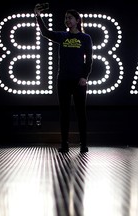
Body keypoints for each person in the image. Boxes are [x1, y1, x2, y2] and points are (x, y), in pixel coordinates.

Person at [34, 4, 93, 153]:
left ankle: (84, 144)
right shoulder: (62, 36)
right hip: (63, 80)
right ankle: (65, 144)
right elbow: (45, 32)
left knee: (81, 113)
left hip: (78, 81)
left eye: (70, 18)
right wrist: (38, 16)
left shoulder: (85, 38)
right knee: (64, 113)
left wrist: (84, 77)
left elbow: (89, 60)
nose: (67, 20)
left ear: (77, 20)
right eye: (66, 18)